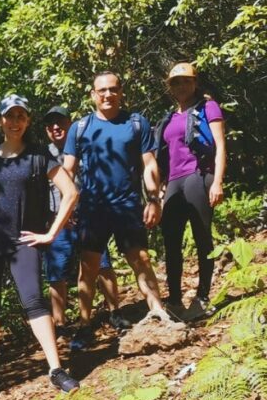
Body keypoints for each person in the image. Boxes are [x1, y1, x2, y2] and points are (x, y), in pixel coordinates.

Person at [0, 95, 81, 399]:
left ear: (27, 121)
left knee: (33, 300)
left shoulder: (39, 156)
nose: (15, 122)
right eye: (9, 116)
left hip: (23, 240)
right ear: (0, 120)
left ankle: (56, 369)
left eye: (21, 116)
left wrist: (50, 234)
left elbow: (70, 193)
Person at [62, 71, 170, 350]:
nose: (107, 94)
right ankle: (84, 327)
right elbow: (68, 170)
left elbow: (149, 164)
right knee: (88, 269)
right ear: (92, 95)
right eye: (102, 90)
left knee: (141, 260)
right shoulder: (80, 127)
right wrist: (66, 206)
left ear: (121, 92)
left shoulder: (136, 124)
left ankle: (158, 312)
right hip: (92, 209)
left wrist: (154, 199)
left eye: (113, 89)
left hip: (127, 206)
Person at [41, 106, 129, 334]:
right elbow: (39, 192)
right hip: (57, 220)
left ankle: (114, 312)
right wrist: (50, 218)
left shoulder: (84, 146)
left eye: (60, 122)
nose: (56, 128)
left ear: (70, 123)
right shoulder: (42, 156)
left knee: (102, 265)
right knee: (57, 273)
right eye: (51, 125)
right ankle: (60, 325)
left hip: (89, 215)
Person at [156, 62, 227, 320]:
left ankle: (202, 297)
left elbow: (220, 146)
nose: (182, 86)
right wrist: (160, 187)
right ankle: (174, 300)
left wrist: (217, 181)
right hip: (174, 181)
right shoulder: (169, 118)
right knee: (171, 241)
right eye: (176, 82)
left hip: (199, 176)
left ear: (195, 83)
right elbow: (164, 156)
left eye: (186, 81)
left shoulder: (208, 107)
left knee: (202, 238)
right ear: (170, 87)